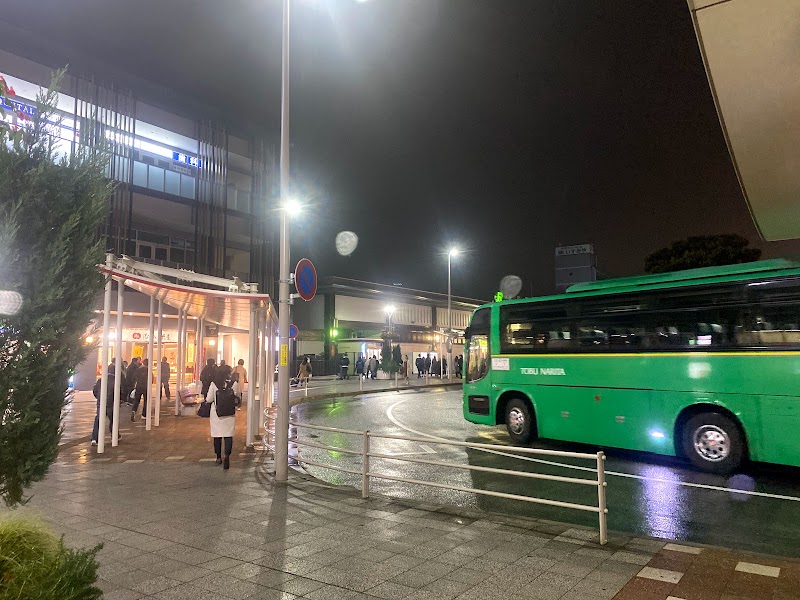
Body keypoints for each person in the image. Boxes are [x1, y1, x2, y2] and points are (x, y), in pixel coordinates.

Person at [207, 364, 238, 470]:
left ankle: (218, 457)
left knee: (217, 435)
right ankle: (227, 456)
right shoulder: (234, 384)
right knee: (228, 435)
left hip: (216, 414)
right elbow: (237, 398)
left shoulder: (214, 384)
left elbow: (209, 399)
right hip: (229, 413)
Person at [91, 364, 118, 445]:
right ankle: (115, 436)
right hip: (110, 403)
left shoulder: (100, 380)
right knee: (113, 420)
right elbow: (118, 392)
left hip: (101, 402)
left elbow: (95, 391)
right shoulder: (115, 380)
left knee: (98, 420)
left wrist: (99, 398)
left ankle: (94, 438)